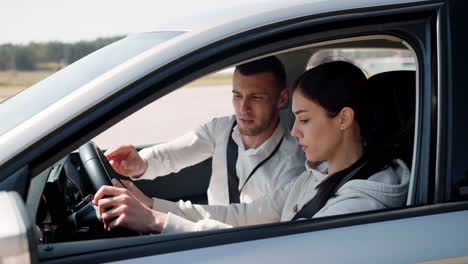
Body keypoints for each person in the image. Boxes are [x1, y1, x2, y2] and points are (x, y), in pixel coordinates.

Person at [94, 61, 410, 234]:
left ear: (343, 119)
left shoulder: (361, 205)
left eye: (304, 119)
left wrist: (157, 222)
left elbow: (285, 256)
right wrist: (153, 207)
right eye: (295, 119)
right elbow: (244, 217)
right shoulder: (315, 176)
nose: (295, 130)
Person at [104, 56, 306, 206]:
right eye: (237, 96)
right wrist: (141, 164)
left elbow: (249, 222)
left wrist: (152, 208)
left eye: (256, 98)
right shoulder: (222, 128)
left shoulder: (292, 166)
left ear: (281, 99)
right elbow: (173, 153)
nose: (243, 108)